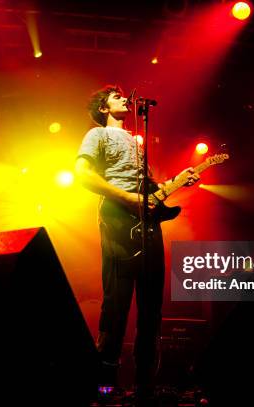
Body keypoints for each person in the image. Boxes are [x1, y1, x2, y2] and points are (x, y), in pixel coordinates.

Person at [74, 85, 199, 403]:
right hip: (117, 218)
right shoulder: (97, 135)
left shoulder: (137, 140)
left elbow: (149, 188)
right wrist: (128, 198)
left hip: (147, 225)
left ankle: (145, 387)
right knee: (115, 306)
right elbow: (82, 174)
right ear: (103, 108)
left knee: (151, 310)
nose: (123, 99)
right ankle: (104, 388)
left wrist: (176, 181)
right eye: (115, 96)